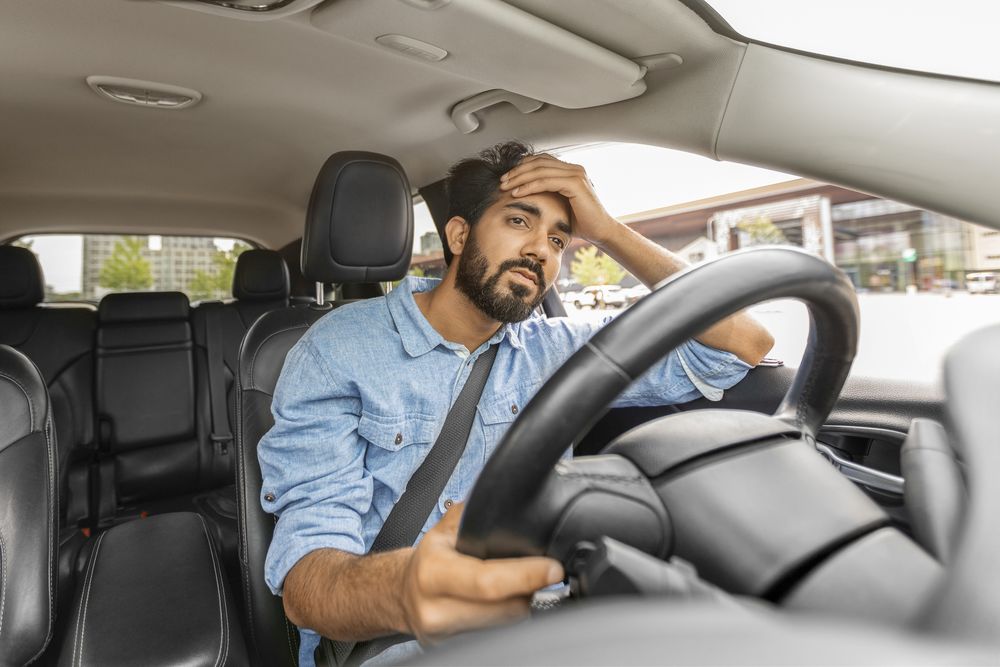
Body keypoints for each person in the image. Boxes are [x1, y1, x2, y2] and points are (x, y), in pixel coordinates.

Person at [258, 141, 775, 665]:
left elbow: (742, 344)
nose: (541, 250)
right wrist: (404, 589)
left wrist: (609, 231)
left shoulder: (558, 349)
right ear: (459, 235)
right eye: (519, 222)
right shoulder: (337, 349)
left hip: (545, 629)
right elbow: (307, 583)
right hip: (393, 642)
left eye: (558, 238)